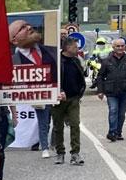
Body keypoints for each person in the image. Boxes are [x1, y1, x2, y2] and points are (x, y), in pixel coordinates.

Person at [9, 19, 57, 157]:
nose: (29, 27)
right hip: (35, 95)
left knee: (49, 121)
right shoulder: (12, 60)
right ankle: (44, 147)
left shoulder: (51, 51)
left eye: (28, 24)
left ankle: (48, 143)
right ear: (14, 40)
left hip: (52, 92)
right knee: (42, 120)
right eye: (23, 28)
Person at [52, 37, 86, 165]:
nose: (77, 49)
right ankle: (60, 153)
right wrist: (59, 90)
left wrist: (79, 93)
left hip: (73, 99)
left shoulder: (76, 61)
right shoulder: (57, 61)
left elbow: (81, 77)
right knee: (58, 126)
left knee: (75, 124)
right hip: (58, 99)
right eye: (75, 47)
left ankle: (75, 153)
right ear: (67, 47)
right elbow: (52, 78)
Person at [96, 37, 126, 141]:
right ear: (113, 47)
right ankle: (112, 132)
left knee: (121, 113)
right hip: (111, 91)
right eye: (118, 46)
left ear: (125, 47)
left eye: (122, 46)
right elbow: (100, 77)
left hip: (125, 90)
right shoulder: (106, 61)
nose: (120, 48)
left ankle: (118, 132)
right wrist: (100, 91)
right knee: (113, 110)